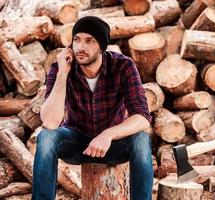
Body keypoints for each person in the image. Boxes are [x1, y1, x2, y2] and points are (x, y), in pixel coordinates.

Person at [32, 16, 153, 200]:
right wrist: (63, 74)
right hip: (77, 143)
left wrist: (108, 135)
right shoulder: (61, 67)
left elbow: (143, 117)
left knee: (141, 141)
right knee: (46, 138)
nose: (80, 47)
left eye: (90, 41)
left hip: (113, 146)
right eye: (77, 39)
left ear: (102, 46)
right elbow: (50, 122)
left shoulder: (123, 66)